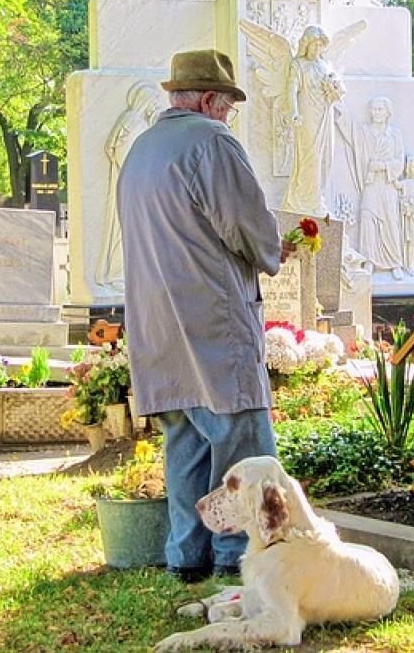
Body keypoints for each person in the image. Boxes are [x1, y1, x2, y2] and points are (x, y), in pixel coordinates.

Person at [117, 49, 295, 582]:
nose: (229, 116)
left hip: (157, 322)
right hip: (210, 319)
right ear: (210, 100)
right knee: (243, 442)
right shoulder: (212, 141)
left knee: (186, 445)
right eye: (228, 105)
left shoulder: (142, 148)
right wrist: (274, 247)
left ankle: (186, 556)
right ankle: (240, 557)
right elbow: (244, 223)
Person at [94, 81, 162, 288]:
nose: (155, 106)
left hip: (135, 185)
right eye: (154, 102)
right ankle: (117, 275)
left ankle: (130, 275)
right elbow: (122, 153)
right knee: (124, 232)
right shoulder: (134, 123)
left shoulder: (137, 121)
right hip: (133, 187)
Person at [280, 25, 345, 216]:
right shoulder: (298, 65)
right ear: (306, 45)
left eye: (320, 45)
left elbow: (337, 89)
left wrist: (335, 89)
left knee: (326, 157)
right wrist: (293, 111)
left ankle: (318, 199)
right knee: (310, 157)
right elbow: (291, 90)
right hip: (307, 115)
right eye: (314, 44)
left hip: (325, 115)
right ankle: (306, 203)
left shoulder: (325, 66)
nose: (317, 48)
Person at [339, 96, 406, 279]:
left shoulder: (394, 135)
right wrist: (339, 107)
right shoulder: (364, 132)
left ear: (387, 112)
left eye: (380, 109)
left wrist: (383, 166)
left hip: (387, 185)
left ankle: (395, 263)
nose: (376, 113)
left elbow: (400, 162)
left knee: (390, 221)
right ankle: (369, 260)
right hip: (371, 184)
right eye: (374, 109)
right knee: (368, 218)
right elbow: (350, 130)